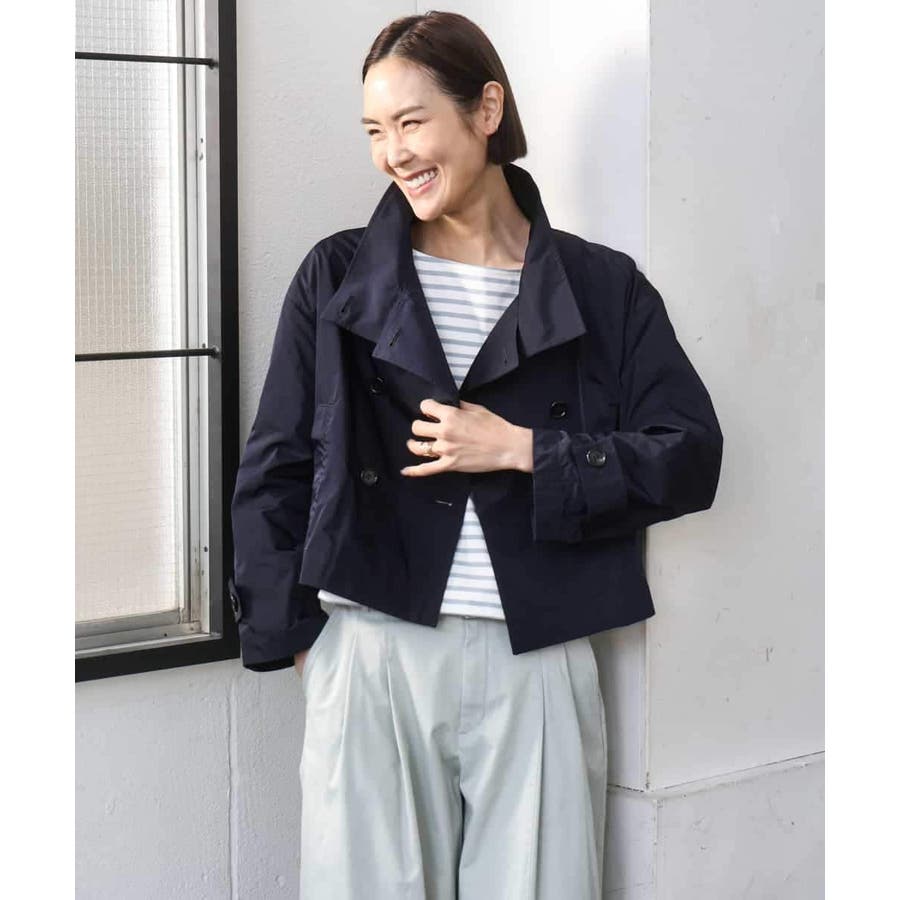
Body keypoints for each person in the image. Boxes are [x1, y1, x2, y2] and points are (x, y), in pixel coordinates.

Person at [229, 11, 723, 900]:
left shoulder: (602, 285)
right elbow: (277, 466)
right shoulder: (337, 274)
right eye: (374, 130)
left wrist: (527, 449)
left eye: (411, 122)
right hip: (373, 644)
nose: (393, 153)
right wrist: (306, 647)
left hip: (536, 652)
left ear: (486, 109)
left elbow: (689, 454)